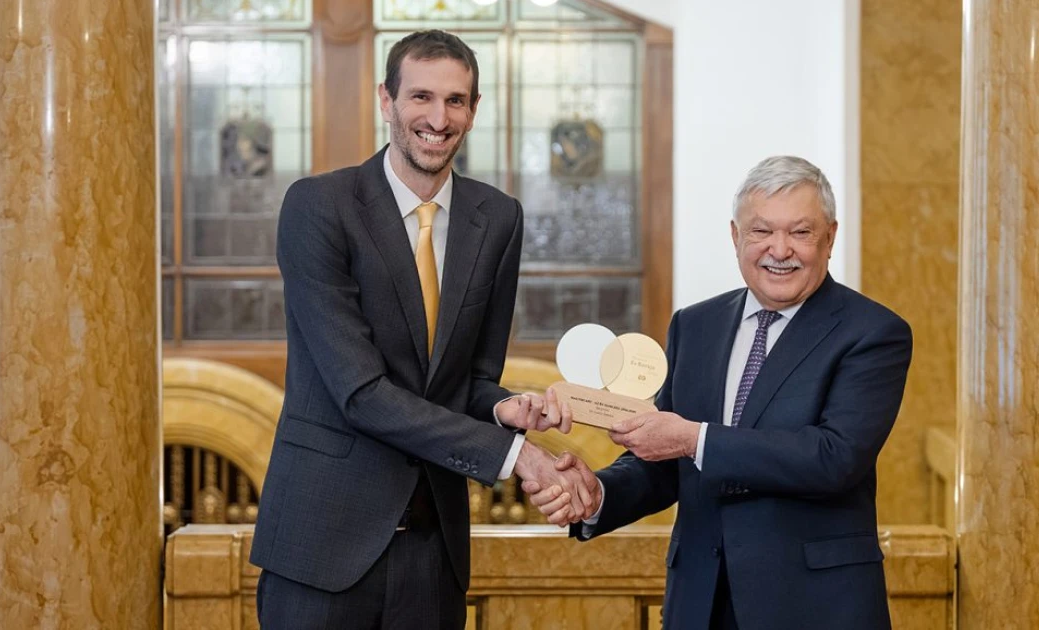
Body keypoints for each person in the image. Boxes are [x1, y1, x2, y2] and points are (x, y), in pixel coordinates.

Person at [250, 30, 596, 629]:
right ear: (386, 100)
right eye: (421, 97)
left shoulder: (499, 218)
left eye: (455, 100)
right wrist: (518, 456)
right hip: (322, 544)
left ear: (474, 109)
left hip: (434, 550)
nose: (439, 119)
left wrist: (504, 409)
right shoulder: (319, 206)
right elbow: (360, 392)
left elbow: (472, 378)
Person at [528, 156, 913, 630]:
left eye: (800, 232)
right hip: (700, 603)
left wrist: (694, 439)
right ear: (735, 236)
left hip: (814, 607)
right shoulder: (695, 325)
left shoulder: (873, 332)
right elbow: (667, 462)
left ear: (829, 238)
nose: (779, 250)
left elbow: (835, 458)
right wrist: (600, 492)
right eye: (761, 231)